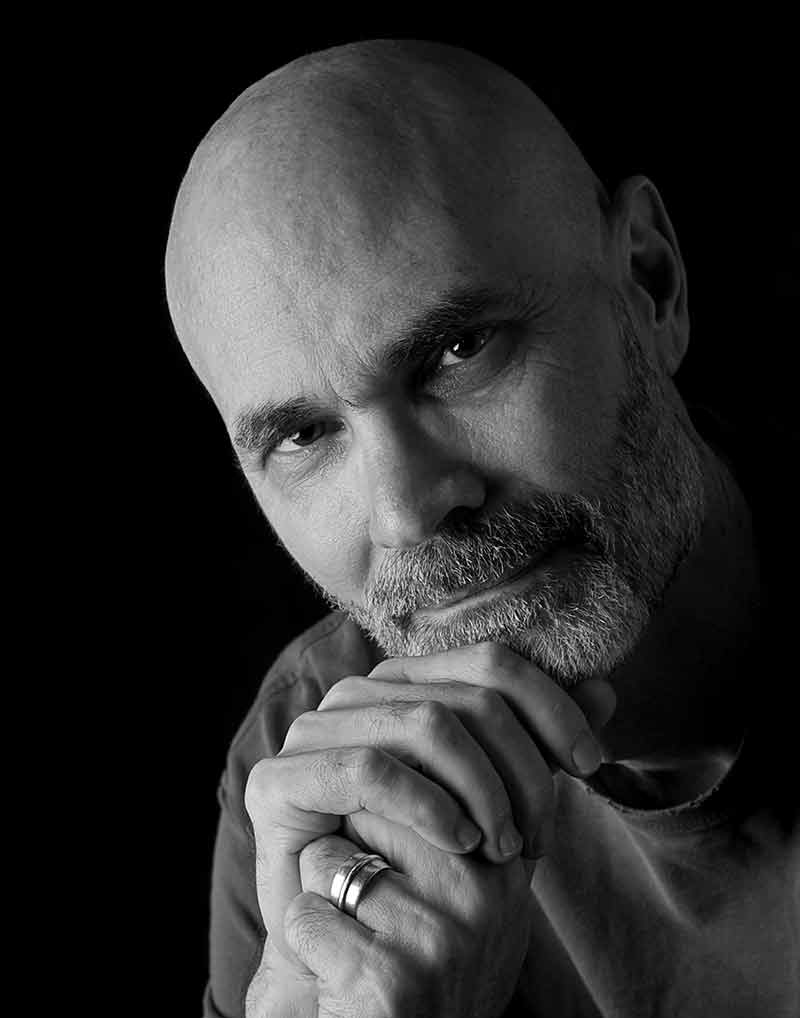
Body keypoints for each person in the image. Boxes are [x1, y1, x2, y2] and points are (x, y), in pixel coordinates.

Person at [164, 39, 798, 1018]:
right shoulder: (308, 772)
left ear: (649, 283)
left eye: (459, 351)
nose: (407, 508)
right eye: (301, 435)